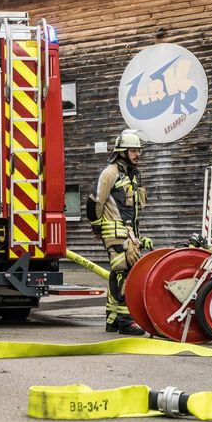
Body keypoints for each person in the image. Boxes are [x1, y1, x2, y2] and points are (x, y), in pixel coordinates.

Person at [90, 129, 152, 335]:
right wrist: (96, 226)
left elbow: (133, 209)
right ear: (121, 152)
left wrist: (138, 235)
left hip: (129, 233)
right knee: (126, 273)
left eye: (138, 150)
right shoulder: (110, 173)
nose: (137, 154)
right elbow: (95, 202)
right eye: (133, 150)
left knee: (118, 274)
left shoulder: (133, 175)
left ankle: (113, 319)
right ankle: (126, 322)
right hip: (115, 232)